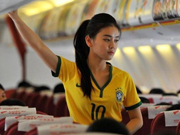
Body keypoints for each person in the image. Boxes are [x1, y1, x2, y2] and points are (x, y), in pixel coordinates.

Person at [8, 11, 143, 134]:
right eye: (107, 39)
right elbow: (38, 46)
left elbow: (137, 119)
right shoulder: (70, 71)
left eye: (116, 40)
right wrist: (15, 17)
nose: (113, 45)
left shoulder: (124, 78)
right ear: (89, 40)